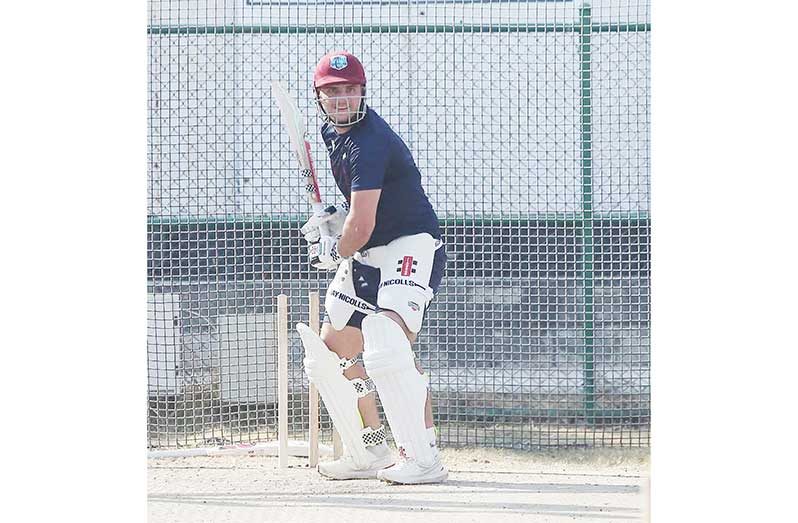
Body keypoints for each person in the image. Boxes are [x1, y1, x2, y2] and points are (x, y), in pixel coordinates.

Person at [295, 50, 448, 485]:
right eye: (332, 92)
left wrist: (334, 247)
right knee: (334, 350)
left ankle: (424, 456)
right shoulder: (331, 131)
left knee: (389, 345)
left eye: (349, 90)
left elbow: (361, 225)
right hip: (368, 250)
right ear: (320, 97)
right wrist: (333, 219)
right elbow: (358, 211)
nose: (341, 99)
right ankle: (371, 446)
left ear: (362, 91)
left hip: (409, 244)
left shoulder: (369, 141)